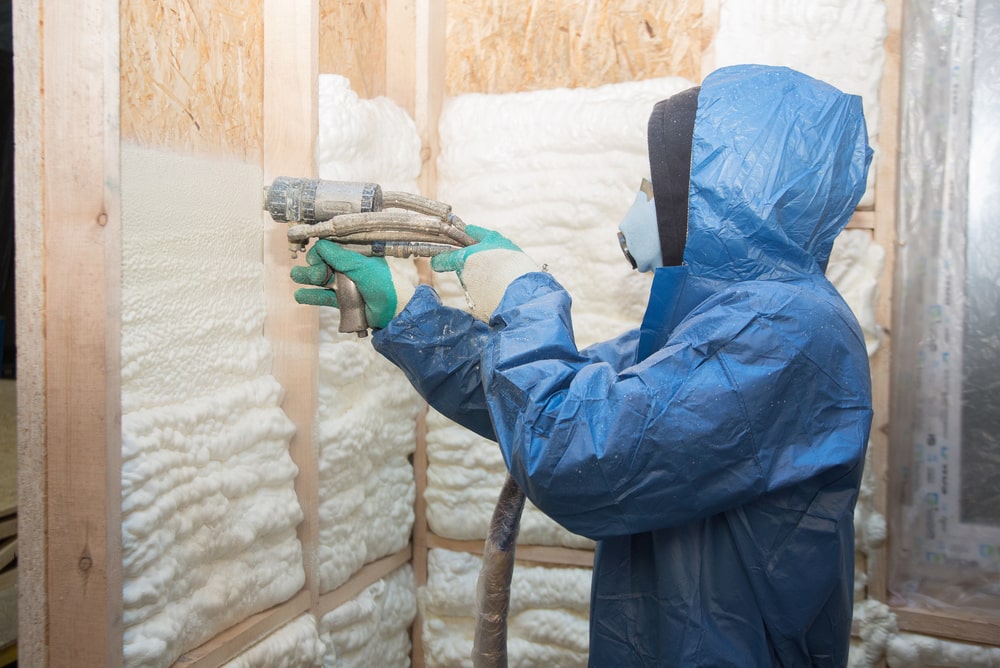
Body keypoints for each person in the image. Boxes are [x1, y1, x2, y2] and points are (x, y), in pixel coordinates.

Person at [293, 64, 874, 667]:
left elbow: (573, 451)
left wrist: (526, 296)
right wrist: (408, 317)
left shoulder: (786, 333)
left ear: (725, 200)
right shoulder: (720, 324)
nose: (642, 202)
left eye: (656, 186)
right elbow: (534, 398)